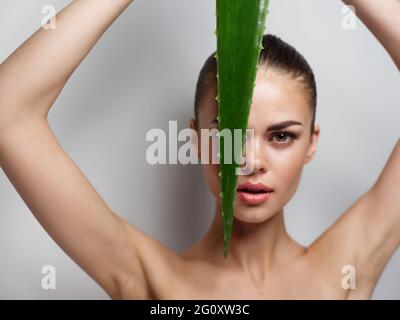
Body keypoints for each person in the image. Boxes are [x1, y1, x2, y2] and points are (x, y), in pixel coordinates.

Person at [0, 0, 398, 299]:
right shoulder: (154, 280)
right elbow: (7, 113)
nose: (249, 162)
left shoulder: (346, 266)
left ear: (311, 143)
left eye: (281, 136)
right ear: (195, 141)